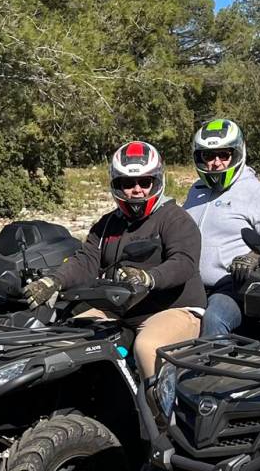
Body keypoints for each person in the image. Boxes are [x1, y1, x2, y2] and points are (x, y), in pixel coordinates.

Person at [24, 141, 203, 380]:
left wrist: (149, 278)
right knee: (65, 339)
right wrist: (53, 281)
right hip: (119, 309)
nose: (137, 190)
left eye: (145, 182)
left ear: (157, 181)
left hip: (172, 309)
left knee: (148, 346)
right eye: (127, 183)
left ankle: (160, 416)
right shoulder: (108, 223)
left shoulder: (175, 218)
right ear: (116, 185)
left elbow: (184, 262)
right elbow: (86, 260)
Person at [182, 118, 260, 336]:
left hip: (231, 287)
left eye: (224, 155)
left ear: (237, 154)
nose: (216, 163)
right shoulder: (197, 191)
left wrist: (254, 256)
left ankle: (218, 369)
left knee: (214, 320)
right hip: (190, 286)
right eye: (208, 156)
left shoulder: (254, 191)